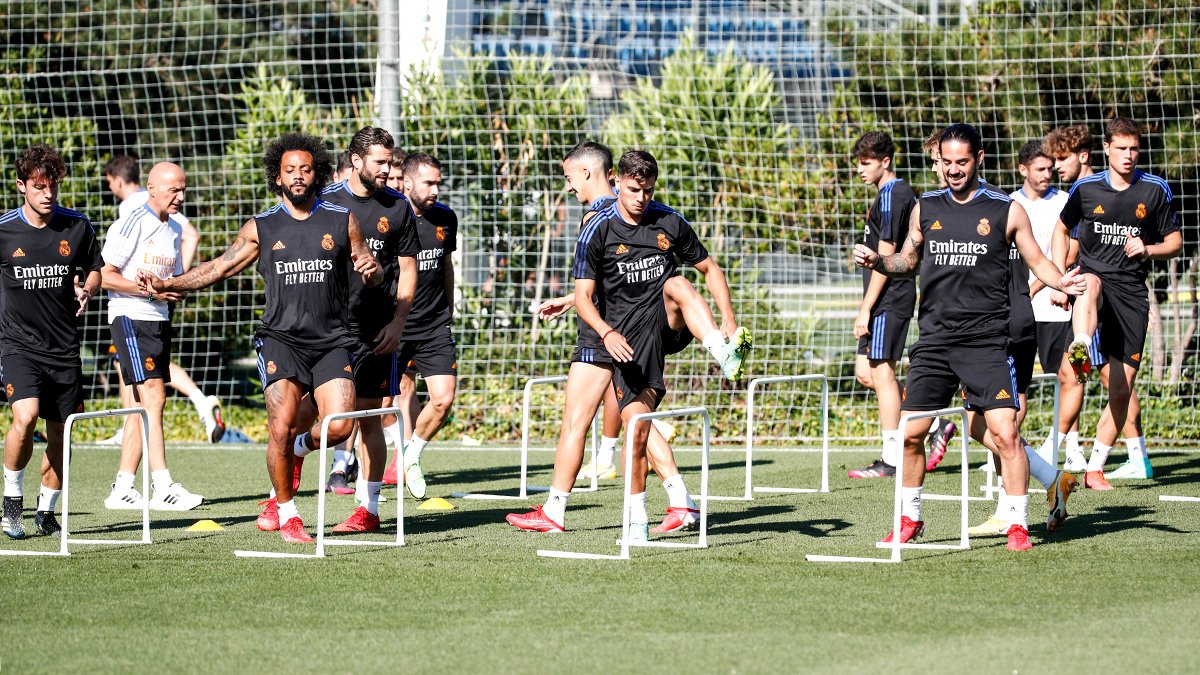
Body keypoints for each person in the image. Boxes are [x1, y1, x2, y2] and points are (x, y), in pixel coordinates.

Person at [138, 134, 383, 543]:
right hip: (281, 341)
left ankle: (303, 448)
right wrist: (170, 282)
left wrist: (371, 269)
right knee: (279, 427)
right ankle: (287, 511)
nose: (298, 176)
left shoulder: (341, 220)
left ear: (317, 173)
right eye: (290, 170)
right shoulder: (263, 226)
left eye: (306, 169)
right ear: (277, 178)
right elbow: (220, 267)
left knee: (339, 426)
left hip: (330, 340)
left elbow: (367, 266)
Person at [855, 123, 1086, 551]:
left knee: (1005, 432)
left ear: (978, 159)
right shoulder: (926, 206)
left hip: (985, 340)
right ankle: (910, 518)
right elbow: (908, 258)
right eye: (947, 162)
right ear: (939, 162)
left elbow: (1038, 259)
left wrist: (1061, 283)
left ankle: (1017, 523)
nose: (954, 170)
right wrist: (880, 261)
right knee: (910, 433)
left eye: (963, 162)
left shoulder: (1005, 209)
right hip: (935, 341)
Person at [508, 149, 744, 538]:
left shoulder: (614, 219)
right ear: (617, 179)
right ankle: (681, 499)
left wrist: (729, 324)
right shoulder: (602, 220)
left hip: (628, 330)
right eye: (635, 189)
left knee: (577, 422)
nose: (568, 186)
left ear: (591, 173)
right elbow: (604, 281)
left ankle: (554, 511)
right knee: (637, 418)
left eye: (570, 178)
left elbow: (611, 283)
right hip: (610, 329)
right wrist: (573, 302)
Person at [1051, 117, 1182, 488]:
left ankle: (1096, 466)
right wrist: (1062, 275)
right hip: (1094, 282)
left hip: (1131, 293)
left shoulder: (1155, 190)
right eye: (1121, 148)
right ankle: (1081, 342)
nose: (1128, 155)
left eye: (1134, 148)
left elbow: (1175, 242)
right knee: (1089, 283)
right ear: (1106, 149)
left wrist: (1148, 247)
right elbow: (1063, 229)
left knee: (1121, 388)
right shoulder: (1086, 188)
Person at [309, 126, 418, 531]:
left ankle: (368, 511)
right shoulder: (326, 202)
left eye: (390, 162)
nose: (388, 170)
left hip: (377, 331)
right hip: (326, 330)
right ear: (356, 162)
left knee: (371, 419)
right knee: (306, 413)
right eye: (380, 162)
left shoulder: (398, 208)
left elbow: (409, 271)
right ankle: (282, 492)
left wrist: (398, 322)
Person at [969, 140, 1079, 535]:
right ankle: (1049, 480)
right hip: (1000, 323)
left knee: (1001, 422)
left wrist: (1053, 283)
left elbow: (1045, 257)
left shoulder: (996, 211)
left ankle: (1020, 501)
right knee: (982, 423)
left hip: (1007, 325)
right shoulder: (1000, 205)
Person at [1, 144, 103, 539]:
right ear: (21, 186)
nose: (48, 194)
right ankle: (11, 503)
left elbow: (96, 268)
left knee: (61, 432)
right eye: (39, 186)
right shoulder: (4, 230)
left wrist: (88, 290)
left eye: (53, 186)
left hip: (63, 349)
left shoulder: (76, 226)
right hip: (17, 345)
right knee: (24, 418)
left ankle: (45, 511)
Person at [100, 162, 206, 511]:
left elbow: (169, 280)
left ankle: (123, 487)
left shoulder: (174, 228)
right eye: (173, 189)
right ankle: (162, 486)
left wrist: (175, 288)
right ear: (151, 188)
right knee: (154, 397)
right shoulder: (132, 222)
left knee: (139, 406)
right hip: (130, 318)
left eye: (183, 189)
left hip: (158, 320)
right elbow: (104, 275)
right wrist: (147, 293)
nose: (180, 196)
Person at [101, 155, 224, 444]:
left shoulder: (137, 207)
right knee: (144, 382)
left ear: (118, 180)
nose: (180, 197)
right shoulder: (149, 210)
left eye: (109, 183)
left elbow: (186, 234)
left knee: (147, 386)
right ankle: (134, 441)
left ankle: (139, 439)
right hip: (134, 308)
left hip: (149, 306)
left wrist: (171, 282)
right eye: (176, 191)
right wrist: (166, 285)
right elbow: (192, 235)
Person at [372, 153, 457, 499]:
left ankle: (411, 456)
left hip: (434, 327)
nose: (436, 189)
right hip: (394, 325)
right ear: (406, 183)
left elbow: (446, 264)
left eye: (439, 182)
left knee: (443, 400)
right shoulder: (388, 218)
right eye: (429, 182)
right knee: (378, 407)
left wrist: (449, 307)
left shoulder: (446, 218)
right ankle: (369, 487)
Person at [845, 131, 917, 480]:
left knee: (883, 371)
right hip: (880, 297)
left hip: (889, 297)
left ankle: (892, 459)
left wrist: (866, 307)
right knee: (866, 373)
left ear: (885, 161)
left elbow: (886, 257)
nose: (861, 170)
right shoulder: (884, 195)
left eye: (866, 163)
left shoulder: (893, 194)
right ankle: (929, 427)